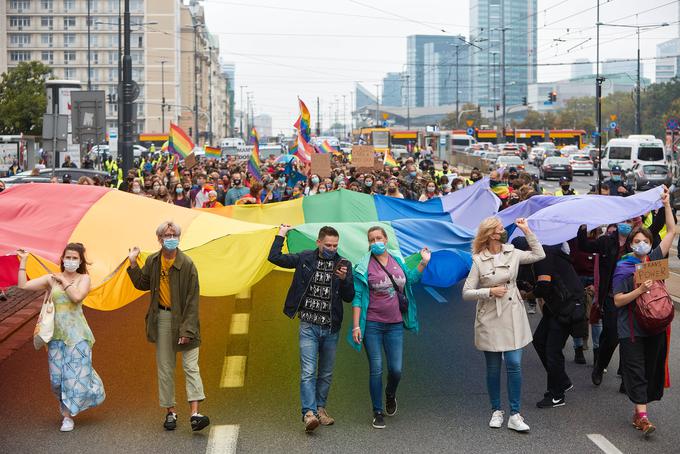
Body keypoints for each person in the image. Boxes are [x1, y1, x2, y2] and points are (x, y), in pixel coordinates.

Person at [268, 225, 355, 433]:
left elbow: (349, 297)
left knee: (325, 373)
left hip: (331, 328)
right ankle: (308, 413)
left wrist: (343, 281)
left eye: (335, 245)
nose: (332, 248)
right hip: (309, 325)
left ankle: (320, 409)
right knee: (308, 372)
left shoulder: (344, 264)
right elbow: (275, 257)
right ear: (318, 242)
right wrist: (280, 234)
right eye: (328, 245)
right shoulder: (305, 258)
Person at [462, 217, 545, 432]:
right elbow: (466, 292)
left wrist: (527, 230)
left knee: (514, 363)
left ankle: (515, 414)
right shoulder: (479, 260)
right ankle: (496, 410)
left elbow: (539, 254)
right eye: (500, 228)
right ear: (491, 234)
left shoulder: (513, 252)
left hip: (513, 312)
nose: (504, 230)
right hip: (489, 315)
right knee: (493, 367)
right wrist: (489, 291)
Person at [127, 221, 210, 432]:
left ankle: (195, 413)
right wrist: (133, 263)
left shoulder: (188, 264)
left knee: (191, 366)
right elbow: (142, 283)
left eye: (174, 234)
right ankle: (170, 412)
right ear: (159, 239)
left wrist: (187, 330)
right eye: (166, 234)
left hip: (185, 320)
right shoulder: (153, 261)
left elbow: (193, 301)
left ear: (179, 238)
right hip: (162, 319)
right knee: (165, 368)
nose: (170, 237)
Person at [16, 243, 105, 432]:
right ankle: (90, 381)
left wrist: (64, 282)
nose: (70, 261)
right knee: (57, 380)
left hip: (78, 336)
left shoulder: (84, 279)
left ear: (80, 261)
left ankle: (67, 417)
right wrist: (23, 262)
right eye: (68, 257)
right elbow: (23, 285)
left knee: (72, 379)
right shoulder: (51, 279)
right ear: (62, 259)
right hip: (55, 337)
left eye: (74, 258)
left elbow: (76, 297)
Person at [348, 226, 430, 429]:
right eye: (371, 239)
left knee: (396, 370)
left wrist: (423, 262)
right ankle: (377, 411)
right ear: (368, 243)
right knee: (376, 368)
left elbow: (409, 280)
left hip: (394, 325)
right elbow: (358, 297)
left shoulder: (396, 260)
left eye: (378, 238)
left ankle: (390, 394)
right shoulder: (363, 265)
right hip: (372, 325)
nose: (375, 241)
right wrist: (356, 326)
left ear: (386, 239)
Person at [612, 188, 675, 437]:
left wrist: (667, 205)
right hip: (632, 331)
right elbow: (617, 301)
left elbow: (671, 231)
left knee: (650, 371)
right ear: (630, 244)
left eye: (646, 241)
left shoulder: (654, 261)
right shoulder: (624, 266)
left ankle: (640, 411)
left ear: (651, 244)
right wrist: (639, 291)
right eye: (637, 241)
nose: (641, 244)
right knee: (636, 371)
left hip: (655, 327)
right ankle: (642, 416)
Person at [531, 243, 588, 408]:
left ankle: (557, 394)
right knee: (539, 341)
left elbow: (543, 286)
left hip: (567, 307)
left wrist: (527, 294)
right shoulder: (546, 251)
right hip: (557, 306)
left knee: (552, 350)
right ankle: (562, 381)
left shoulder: (543, 255)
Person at [578, 220, 633, 387]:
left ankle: (626, 378)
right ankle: (600, 366)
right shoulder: (606, 241)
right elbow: (585, 245)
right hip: (611, 296)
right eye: (624, 221)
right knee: (612, 335)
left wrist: (664, 206)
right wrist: (583, 227)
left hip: (632, 296)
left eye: (630, 221)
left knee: (630, 337)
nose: (626, 224)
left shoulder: (637, 242)